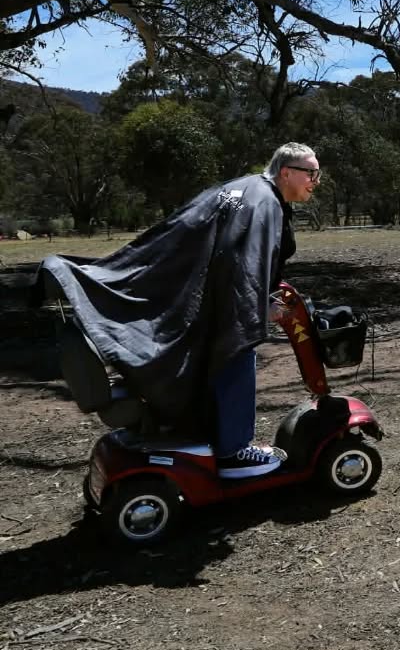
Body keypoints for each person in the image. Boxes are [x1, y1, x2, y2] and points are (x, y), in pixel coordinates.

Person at [41, 142, 322, 479]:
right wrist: (257, 306)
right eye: (311, 173)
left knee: (219, 359)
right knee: (238, 350)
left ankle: (210, 437)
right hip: (222, 301)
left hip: (206, 296)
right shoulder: (264, 203)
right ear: (286, 172)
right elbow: (241, 258)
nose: (315, 181)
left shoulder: (240, 188)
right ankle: (234, 453)